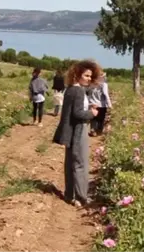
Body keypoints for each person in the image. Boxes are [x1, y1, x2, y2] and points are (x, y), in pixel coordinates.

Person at [53, 60, 100, 207]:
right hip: (79, 130)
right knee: (81, 163)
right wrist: (92, 113)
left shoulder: (71, 89)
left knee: (71, 163)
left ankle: (70, 195)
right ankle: (82, 196)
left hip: (71, 131)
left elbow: (74, 110)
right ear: (77, 74)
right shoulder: (78, 91)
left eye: (90, 76)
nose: (89, 78)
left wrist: (88, 108)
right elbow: (78, 113)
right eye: (86, 75)